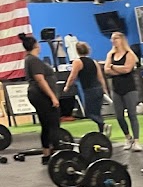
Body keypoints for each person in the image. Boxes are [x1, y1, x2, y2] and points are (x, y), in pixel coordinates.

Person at [20, 32, 60, 160]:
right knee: (52, 124)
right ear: (36, 45)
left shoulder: (30, 59)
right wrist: (52, 97)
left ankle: (48, 155)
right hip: (41, 96)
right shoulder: (33, 60)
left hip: (38, 95)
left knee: (47, 125)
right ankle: (55, 154)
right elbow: (40, 80)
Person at [63, 42, 110, 135]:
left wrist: (67, 86)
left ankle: (103, 125)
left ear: (77, 51)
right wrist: (104, 89)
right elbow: (100, 77)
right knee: (97, 112)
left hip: (90, 90)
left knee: (89, 112)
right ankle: (102, 132)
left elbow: (72, 76)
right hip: (98, 88)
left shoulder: (77, 62)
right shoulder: (94, 62)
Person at [105, 33, 141, 151]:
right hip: (116, 89)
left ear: (121, 40)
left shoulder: (129, 54)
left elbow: (127, 69)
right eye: (112, 39)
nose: (113, 41)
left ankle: (136, 141)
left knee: (132, 115)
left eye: (116, 38)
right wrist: (117, 69)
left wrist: (113, 67)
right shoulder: (110, 55)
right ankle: (128, 137)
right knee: (119, 116)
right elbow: (106, 70)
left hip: (129, 88)